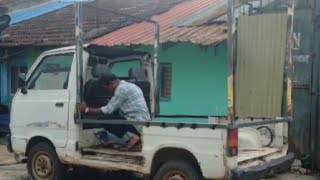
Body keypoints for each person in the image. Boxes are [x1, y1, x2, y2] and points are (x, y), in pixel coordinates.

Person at [78, 73, 150, 150]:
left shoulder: (121, 89)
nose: (107, 92)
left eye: (106, 89)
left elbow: (107, 110)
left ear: (111, 83)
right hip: (143, 123)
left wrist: (86, 109)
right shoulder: (131, 86)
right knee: (115, 114)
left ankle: (132, 138)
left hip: (136, 122)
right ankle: (137, 141)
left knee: (104, 119)